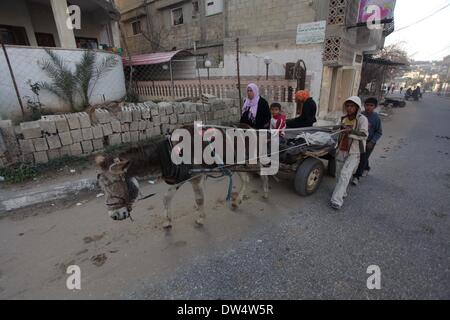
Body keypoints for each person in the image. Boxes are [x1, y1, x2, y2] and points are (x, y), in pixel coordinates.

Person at [330, 96, 368, 211]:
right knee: (338, 174)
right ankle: (343, 192)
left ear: (357, 107)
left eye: (352, 106)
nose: (349, 108)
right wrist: (338, 128)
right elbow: (335, 130)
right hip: (342, 149)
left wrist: (350, 131)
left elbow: (364, 135)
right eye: (348, 106)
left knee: (345, 174)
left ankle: (336, 200)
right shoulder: (343, 118)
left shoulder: (362, 119)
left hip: (354, 151)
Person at [352, 97, 383, 185]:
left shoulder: (376, 118)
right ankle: (367, 168)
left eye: (371, 105)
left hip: (369, 142)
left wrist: (372, 142)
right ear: (363, 105)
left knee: (363, 158)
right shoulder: (360, 115)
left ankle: (357, 176)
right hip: (360, 140)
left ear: (375, 107)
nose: (368, 107)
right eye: (367, 105)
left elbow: (379, 132)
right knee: (363, 156)